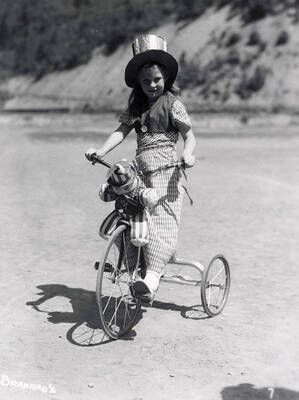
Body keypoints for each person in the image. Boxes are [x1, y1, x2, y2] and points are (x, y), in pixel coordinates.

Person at [86, 34, 196, 302]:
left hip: (167, 171)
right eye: (146, 81)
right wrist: (100, 151)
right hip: (142, 169)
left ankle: (152, 277)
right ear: (138, 82)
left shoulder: (172, 104)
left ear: (166, 77)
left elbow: (189, 135)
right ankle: (131, 264)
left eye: (157, 79)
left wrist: (188, 154)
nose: (151, 85)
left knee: (160, 220)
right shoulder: (135, 106)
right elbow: (121, 131)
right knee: (130, 211)